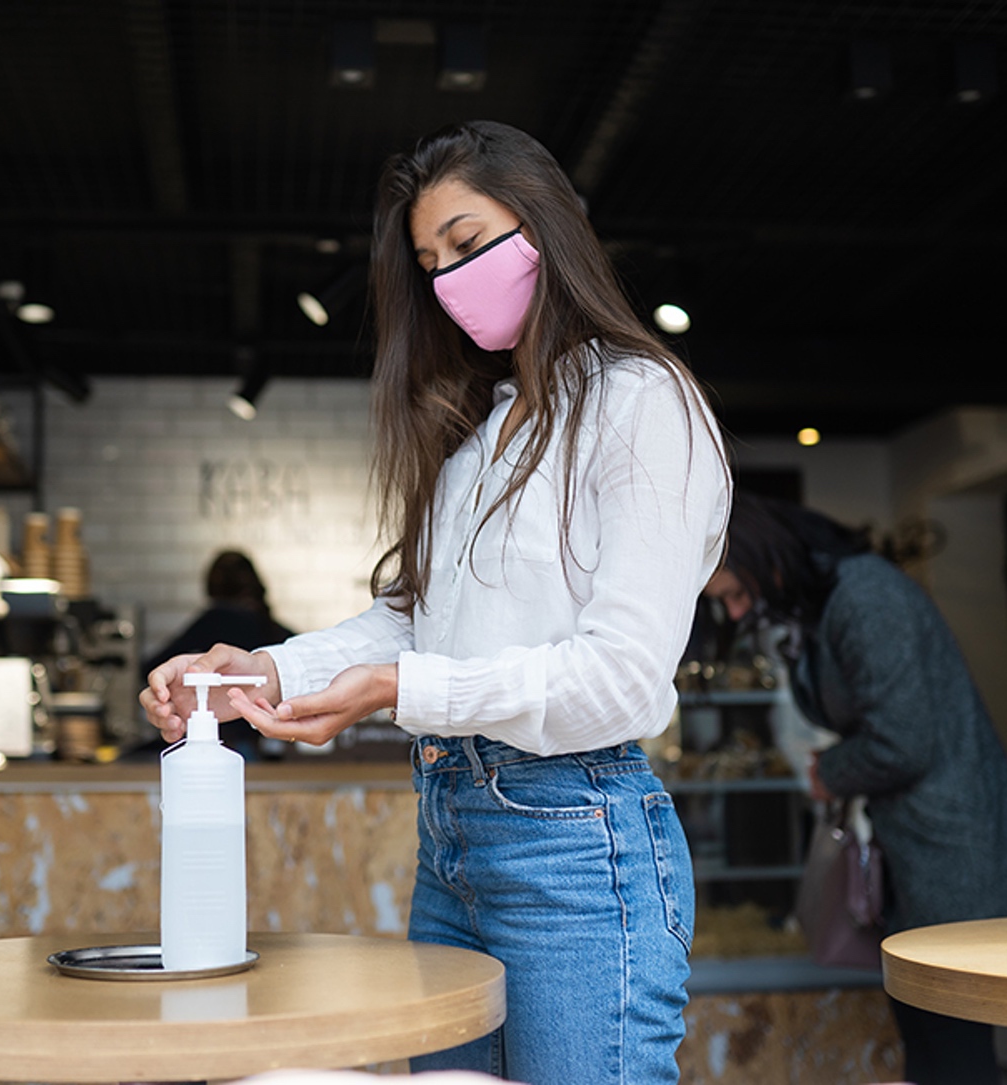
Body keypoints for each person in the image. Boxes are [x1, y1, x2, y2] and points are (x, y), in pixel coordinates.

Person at [141, 120, 730, 1084]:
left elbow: (621, 680)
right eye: (429, 261)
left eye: (467, 241)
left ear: (547, 225)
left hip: (571, 847)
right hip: (452, 831)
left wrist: (398, 688)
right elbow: (416, 615)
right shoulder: (483, 435)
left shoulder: (640, 403)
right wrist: (267, 668)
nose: (449, 278)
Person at [705, 493, 1007, 1085]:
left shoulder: (866, 595)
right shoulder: (824, 609)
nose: (737, 613)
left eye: (736, 594)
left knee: (952, 1049)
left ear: (769, 561)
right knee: (932, 1043)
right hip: (918, 858)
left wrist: (830, 772)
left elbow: (906, 740)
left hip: (952, 856)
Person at [142, 550, 295, 758]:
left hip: (224, 741)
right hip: (267, 742)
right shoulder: (268, 624)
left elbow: (152, 667)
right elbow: (301, 658)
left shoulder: (216, 619)